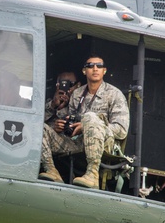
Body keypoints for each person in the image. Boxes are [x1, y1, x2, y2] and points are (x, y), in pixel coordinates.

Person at [40, 56, 130, 188]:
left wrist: (89, 125)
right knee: (40, 127)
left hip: (104, 144)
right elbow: (64, 118)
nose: (95, 69)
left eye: (99, 66)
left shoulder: (114, 94)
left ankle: (92, 174)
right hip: (77, 142)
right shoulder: (77, 94)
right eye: (90, 66)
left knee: (90, 117)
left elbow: (121, 130)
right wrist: (59, 120)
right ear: (84, 71)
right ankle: (51, 171)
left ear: (104, 71)